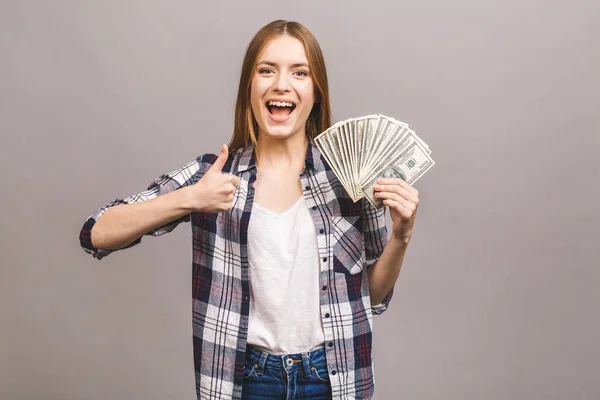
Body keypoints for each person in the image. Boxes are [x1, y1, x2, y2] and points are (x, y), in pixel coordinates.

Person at [79, 19, 420, 400]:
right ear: (249, 88)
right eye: (266, 70)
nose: (281, 84)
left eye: (299, 72)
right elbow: (95, 233)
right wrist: (190, 198)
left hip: (335, 378)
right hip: (245, 381)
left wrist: (402, 237)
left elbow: (373, 298)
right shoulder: (212, 175)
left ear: (316, 92)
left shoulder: (351, 176)